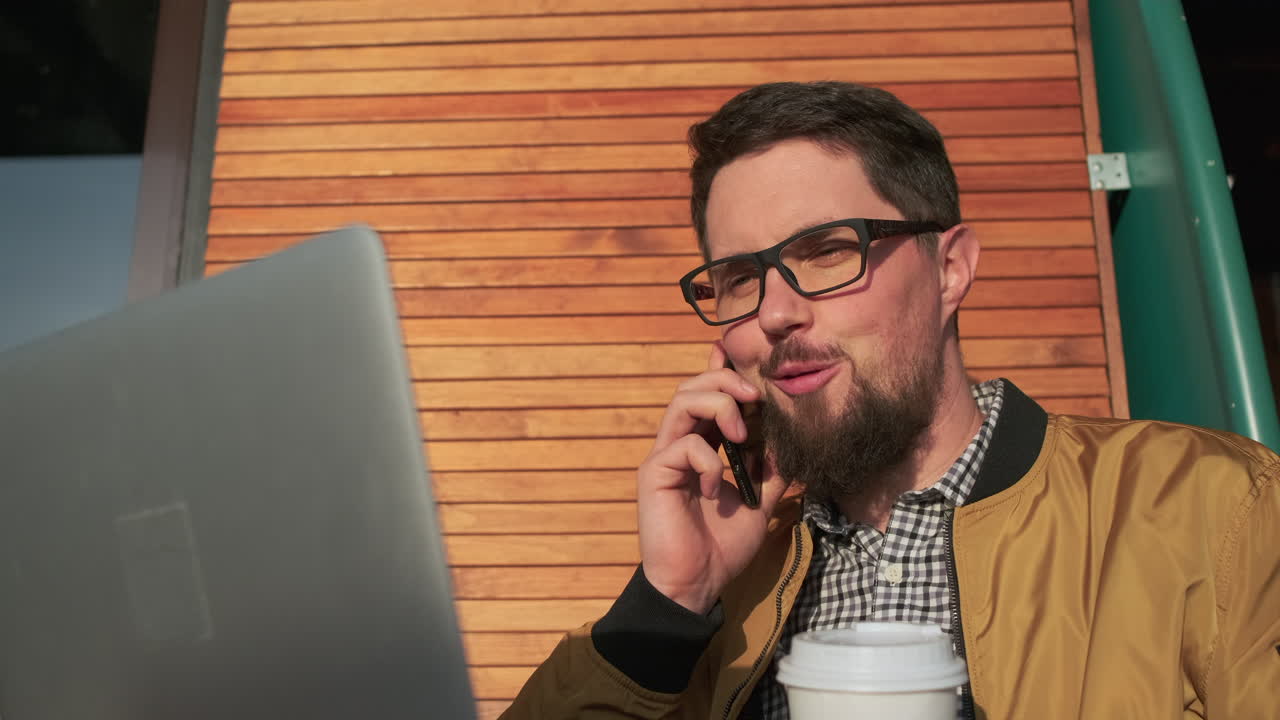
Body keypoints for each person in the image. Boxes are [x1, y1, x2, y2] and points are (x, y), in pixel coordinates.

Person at [500, 81, 1280, 719]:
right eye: (740, 277)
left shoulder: (1216, 511)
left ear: (950, 270)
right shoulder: (717, 596)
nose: (775, 312)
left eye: (828, 250)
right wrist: (667, 605)